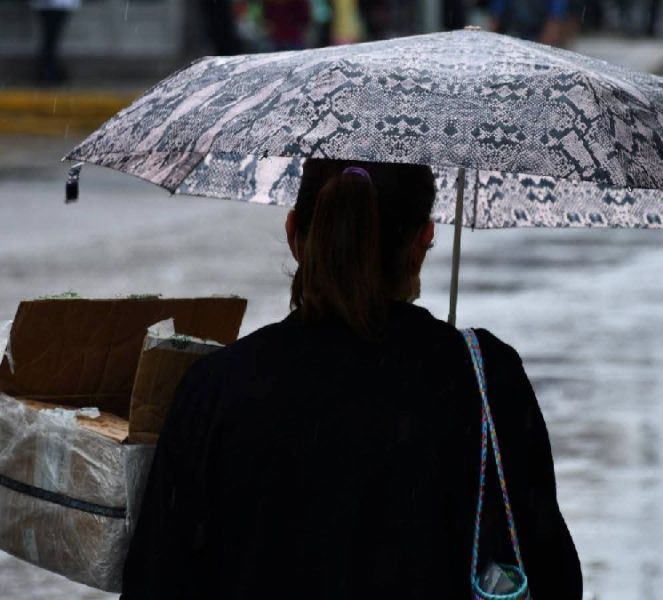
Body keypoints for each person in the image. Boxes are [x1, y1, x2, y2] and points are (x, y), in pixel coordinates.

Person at [121, 160, 582, 599]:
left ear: (294, 235)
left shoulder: (216, 388)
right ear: (424, 240)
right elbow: (551, 578)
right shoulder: (486, 380)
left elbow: (157, 580)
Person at [30, 0, 80, 84]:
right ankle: (48, 68)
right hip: (56, 4)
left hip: (52, 4)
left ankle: (49, 67)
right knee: (51, 36)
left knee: (50, 36)